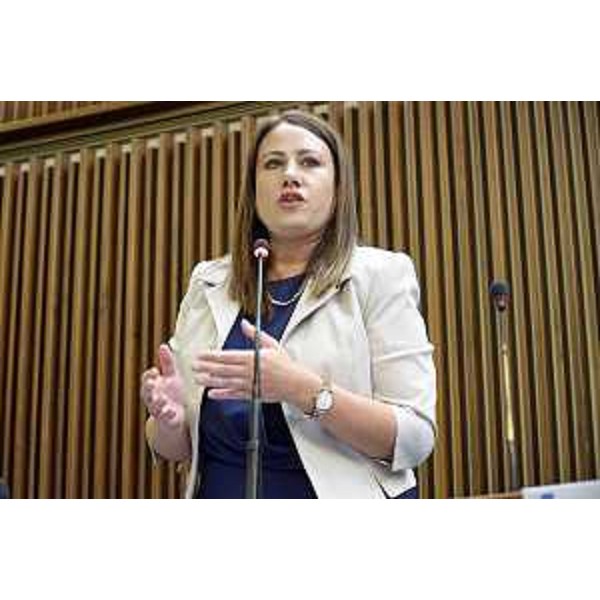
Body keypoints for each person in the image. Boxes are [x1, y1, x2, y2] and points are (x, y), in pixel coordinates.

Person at [141, 110, 436, 499]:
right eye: (273, 163)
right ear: (254, 190)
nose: (290, 175)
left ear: (338, 188)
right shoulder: (208, 281)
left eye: (309, 162)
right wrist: (170, 420)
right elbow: (174, 448)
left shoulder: (381, 275)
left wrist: (302, 389)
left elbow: (415, 438)